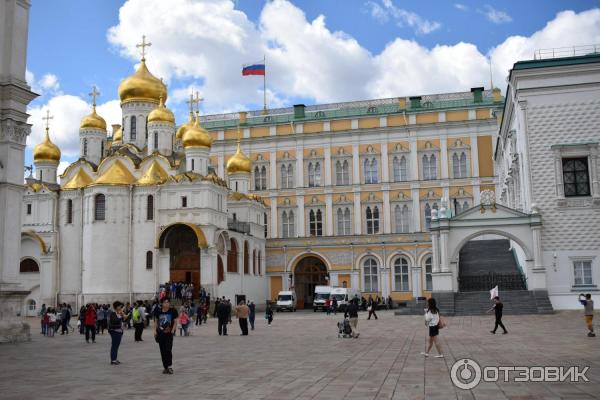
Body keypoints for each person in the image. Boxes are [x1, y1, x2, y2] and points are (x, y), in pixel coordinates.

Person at [154, 298, 178, 374]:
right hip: (160, 334)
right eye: (165, 302)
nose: (167, 304)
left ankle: (170, 366)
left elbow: (175, 321)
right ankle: (165, 367)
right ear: (162, 303)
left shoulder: (173, 311)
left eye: (168, 302)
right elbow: (156, 321)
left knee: (168, 350)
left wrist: (173, 330)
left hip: (169, 334)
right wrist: (154, 331)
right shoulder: (158, 311)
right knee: (162, 351)